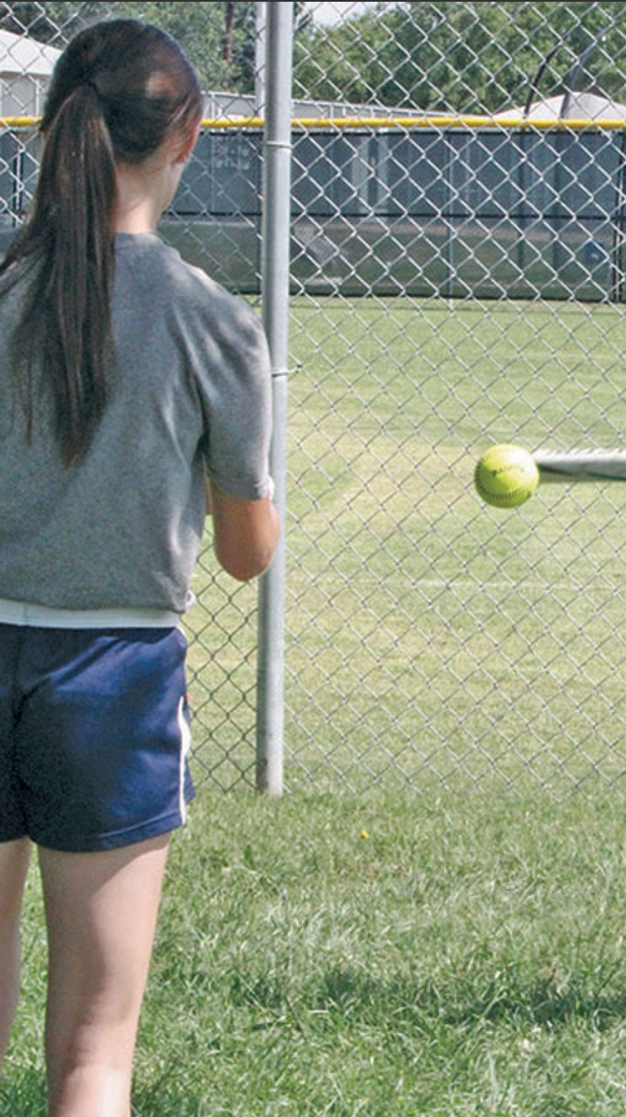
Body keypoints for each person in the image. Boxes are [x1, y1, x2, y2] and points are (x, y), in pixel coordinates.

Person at [0, 19, 279, 1115]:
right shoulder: (210, 318)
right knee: (93, 1054)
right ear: (189, 138)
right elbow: (248, 554)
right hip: (111, 677)